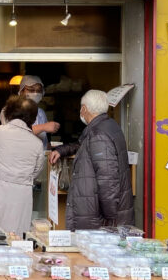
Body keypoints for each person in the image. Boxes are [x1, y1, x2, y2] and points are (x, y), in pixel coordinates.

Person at [48, 90, 134, 230]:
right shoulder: (106, 126)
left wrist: (110, 219)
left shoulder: (98, 134)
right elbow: (84, 145)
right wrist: (61, 150)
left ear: (84, 109)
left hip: (101, 220)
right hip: (101, 216)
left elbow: (108, 179)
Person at [0, 96, 46, 234]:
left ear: (9, 112)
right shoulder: (37, 143)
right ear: (32, 117)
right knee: (16, 236)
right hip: (21, 194)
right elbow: (37, 171)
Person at [0, 75, 60, 148]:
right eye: (31, 90)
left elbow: (43, 140)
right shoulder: (9, 110)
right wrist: (43, 127)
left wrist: (49, 148)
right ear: (21, 92)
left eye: (39, 91)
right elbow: (14, 134)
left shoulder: (41, 112)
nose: (35, 93)